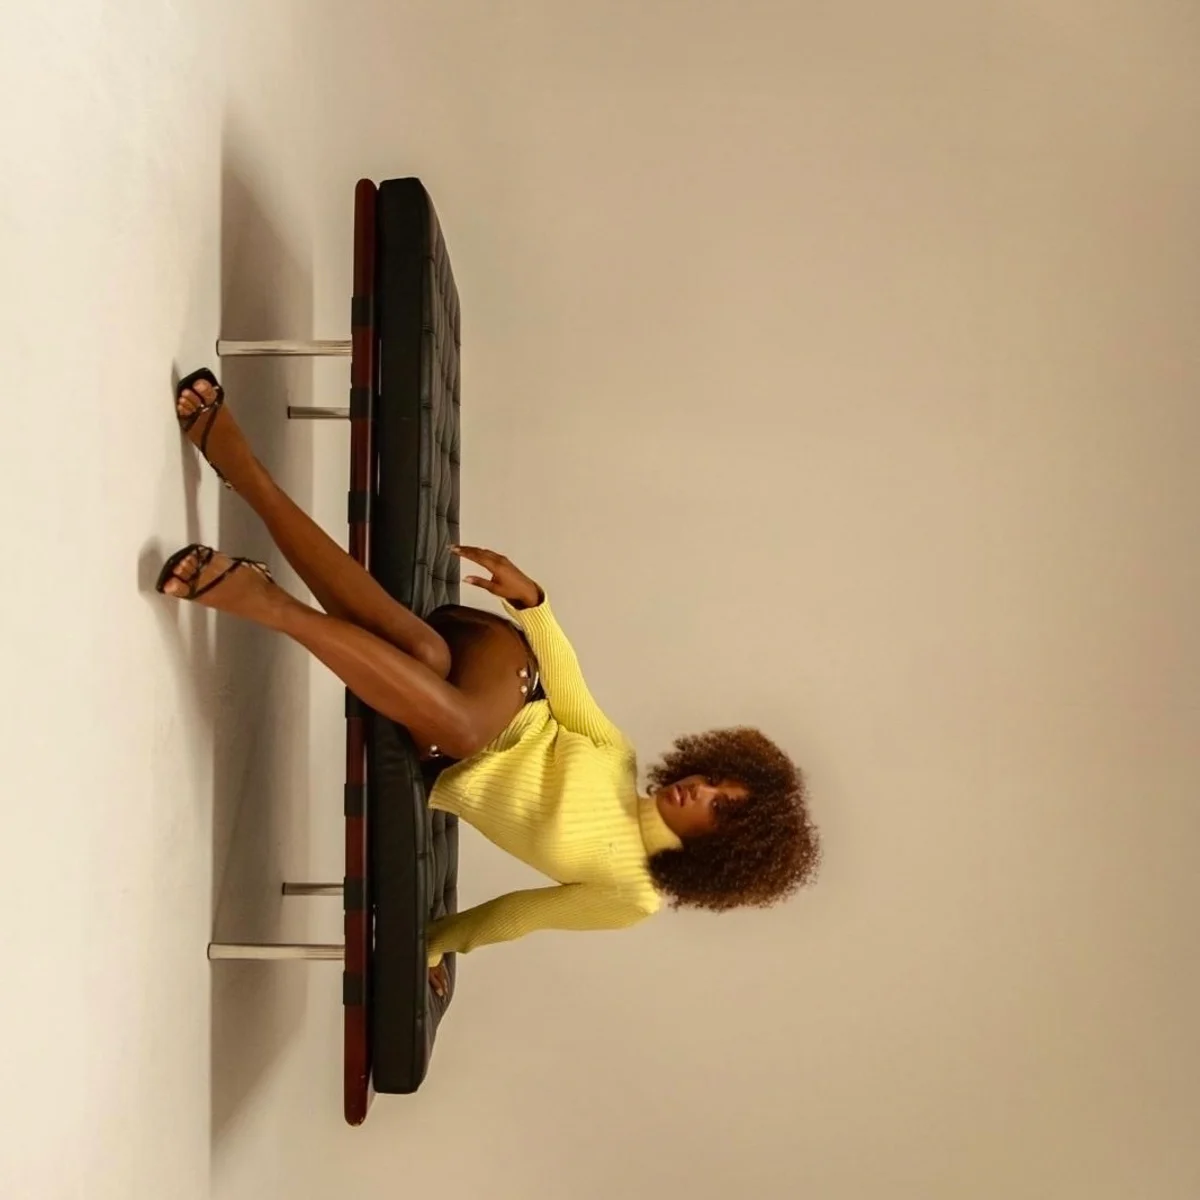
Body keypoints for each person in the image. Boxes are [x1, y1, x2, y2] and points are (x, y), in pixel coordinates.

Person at [159, 371, 821, 997]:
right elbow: (565, 680)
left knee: (421, 653)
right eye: (716, 779)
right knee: (463, 712)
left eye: (718, 807)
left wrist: (434, 945)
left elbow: (519, 915)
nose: (700, 789)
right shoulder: (616, 758)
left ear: (723, 851)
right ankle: (264, 601)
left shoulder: (631, 896)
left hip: (447, 729)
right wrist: (530, 599)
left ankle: (245, 472)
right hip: (501, 673)